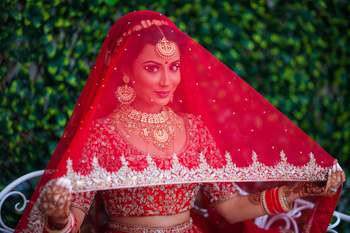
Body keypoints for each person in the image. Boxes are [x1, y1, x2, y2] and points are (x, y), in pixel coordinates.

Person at [15, 10, 345, 233]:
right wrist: (58, 219)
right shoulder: (102, 134)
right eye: (152, 67)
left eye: (173, 67)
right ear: (127, 72)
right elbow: (78, 211)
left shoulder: (195, 129)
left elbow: (230, 206)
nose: (166, 81)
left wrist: (298, 189)